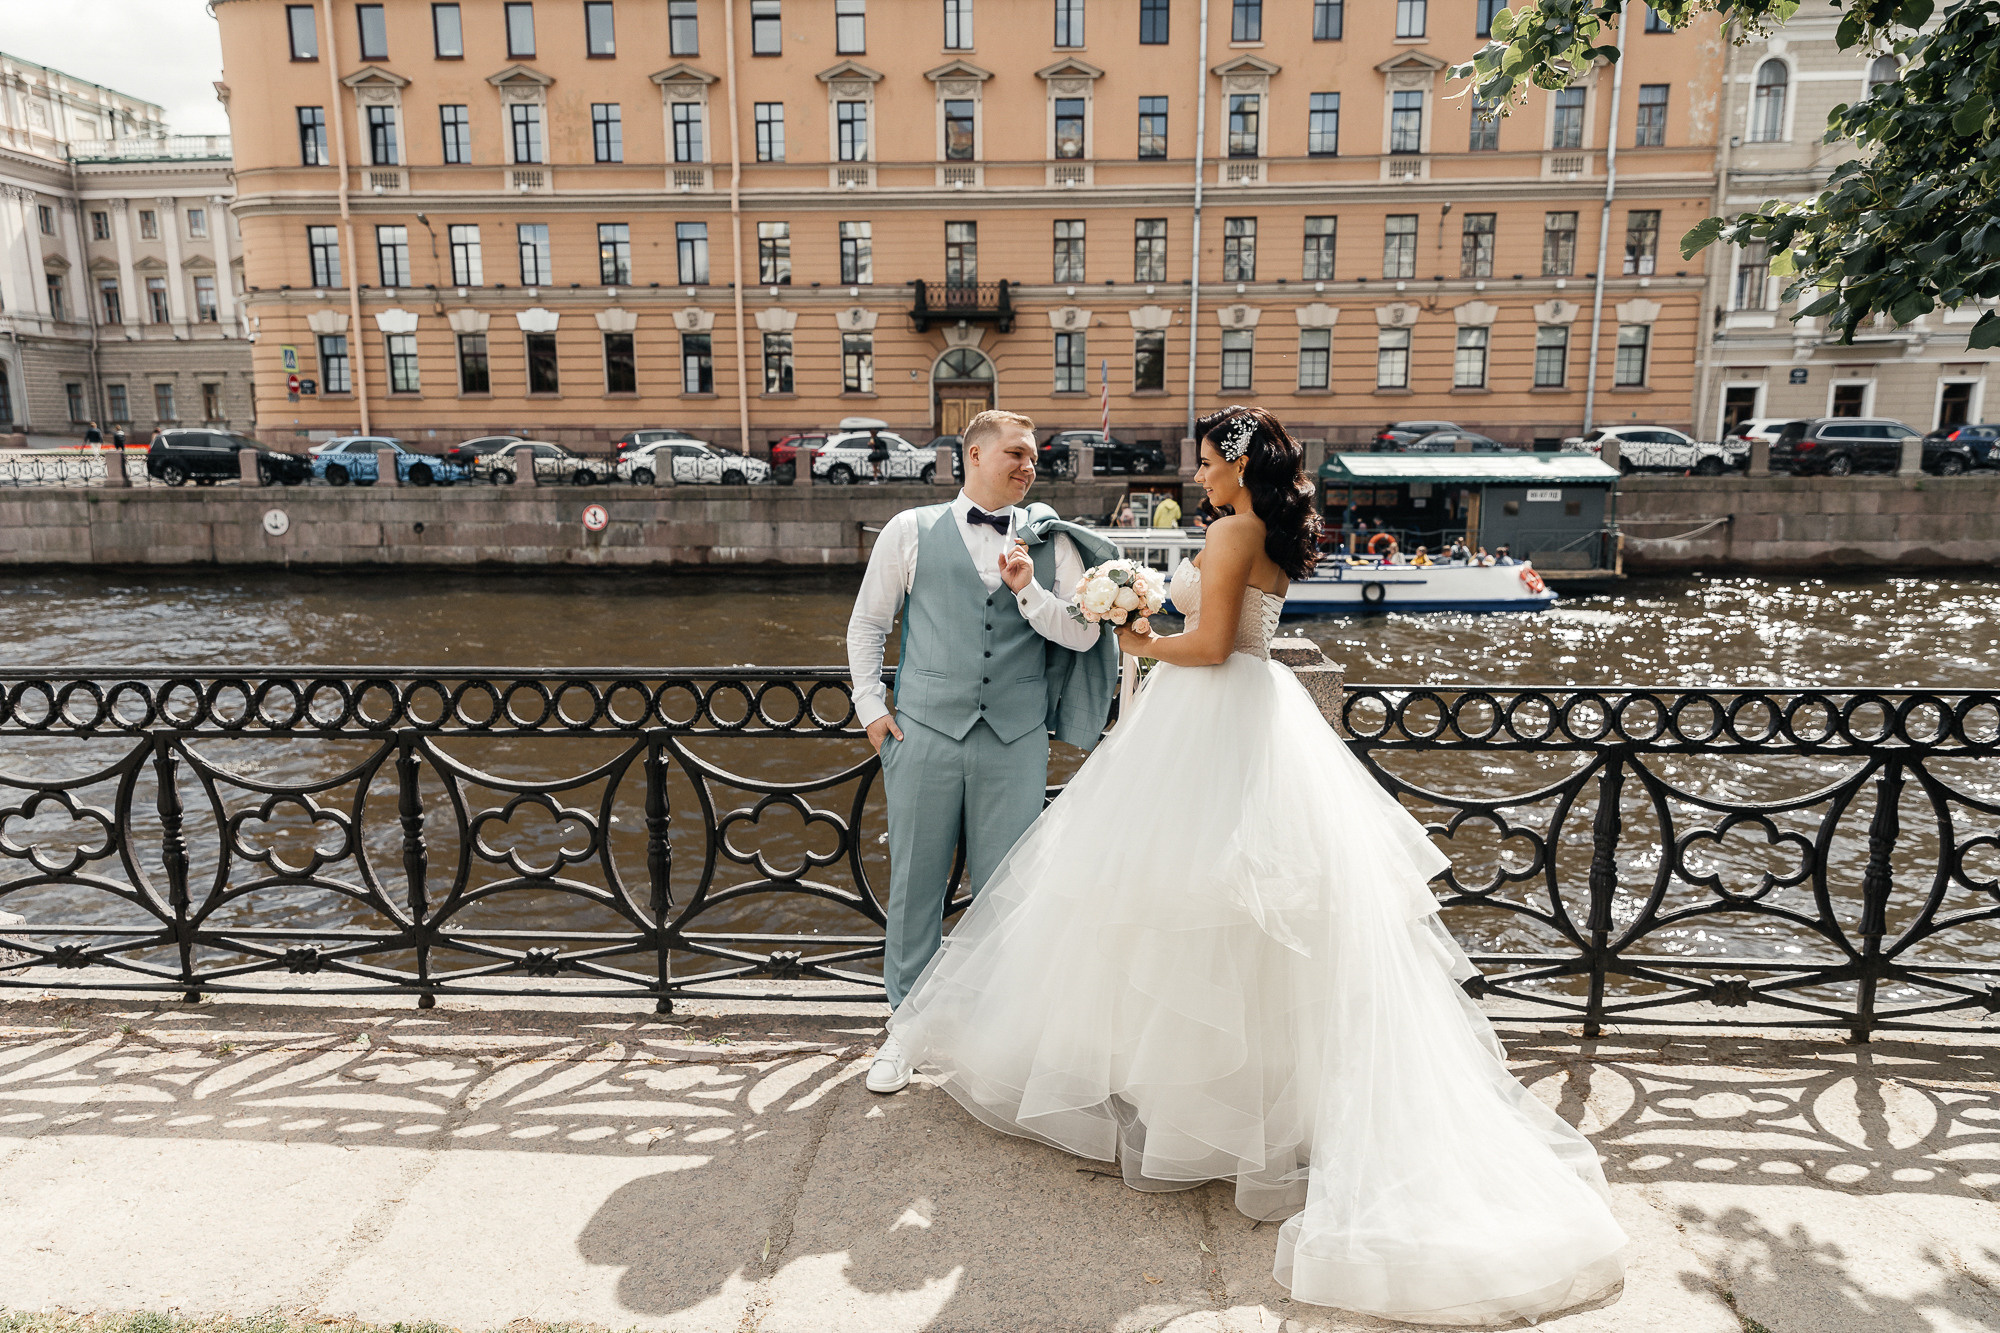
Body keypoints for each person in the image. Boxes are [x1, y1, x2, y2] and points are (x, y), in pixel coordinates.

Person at [889, 403, 1629, 1326]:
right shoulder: (1259, 528)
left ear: (1238, 464)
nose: (1197, 477)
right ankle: (1241, 1103)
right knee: (1232, 908)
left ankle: (1200, 1110)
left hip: (1216, 707)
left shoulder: (1237, 529)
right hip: (1246, 710)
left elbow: (1209, 645)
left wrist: (1135, 636)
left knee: (1186, 895)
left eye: (1204, 463)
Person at [847, 408, 1121, 1095]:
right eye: (1019, 454)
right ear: (973, 454)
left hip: (1015, 740)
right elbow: (868, 624)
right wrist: (873, 710)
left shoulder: (1052, 542)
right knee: (915, 883)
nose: (1032, 466)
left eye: (1036, 457)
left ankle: (997, 1041)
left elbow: (1084, 637)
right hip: (924, 736)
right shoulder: (908, 531)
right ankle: (904, 1031)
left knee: (1007, 895)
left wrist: (1028, 588)